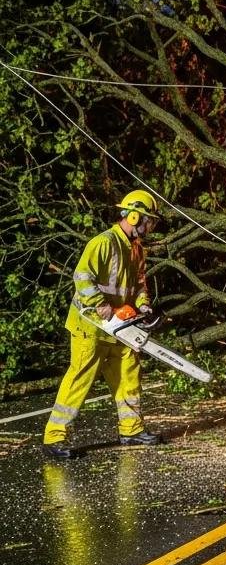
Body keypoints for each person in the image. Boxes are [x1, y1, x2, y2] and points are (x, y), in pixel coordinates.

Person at [42, 190, 164, 459]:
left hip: (120, 327)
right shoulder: (104, 242)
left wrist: (143, 305)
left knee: (129, 376)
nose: (151, 226)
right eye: (149, 220)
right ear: (134, 216)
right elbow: (82, 277)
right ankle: (54, 436)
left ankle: (131, 429)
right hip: (91, 325)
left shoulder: (137, 249)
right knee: (80, 378)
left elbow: (139, 283)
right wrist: (100, 304)